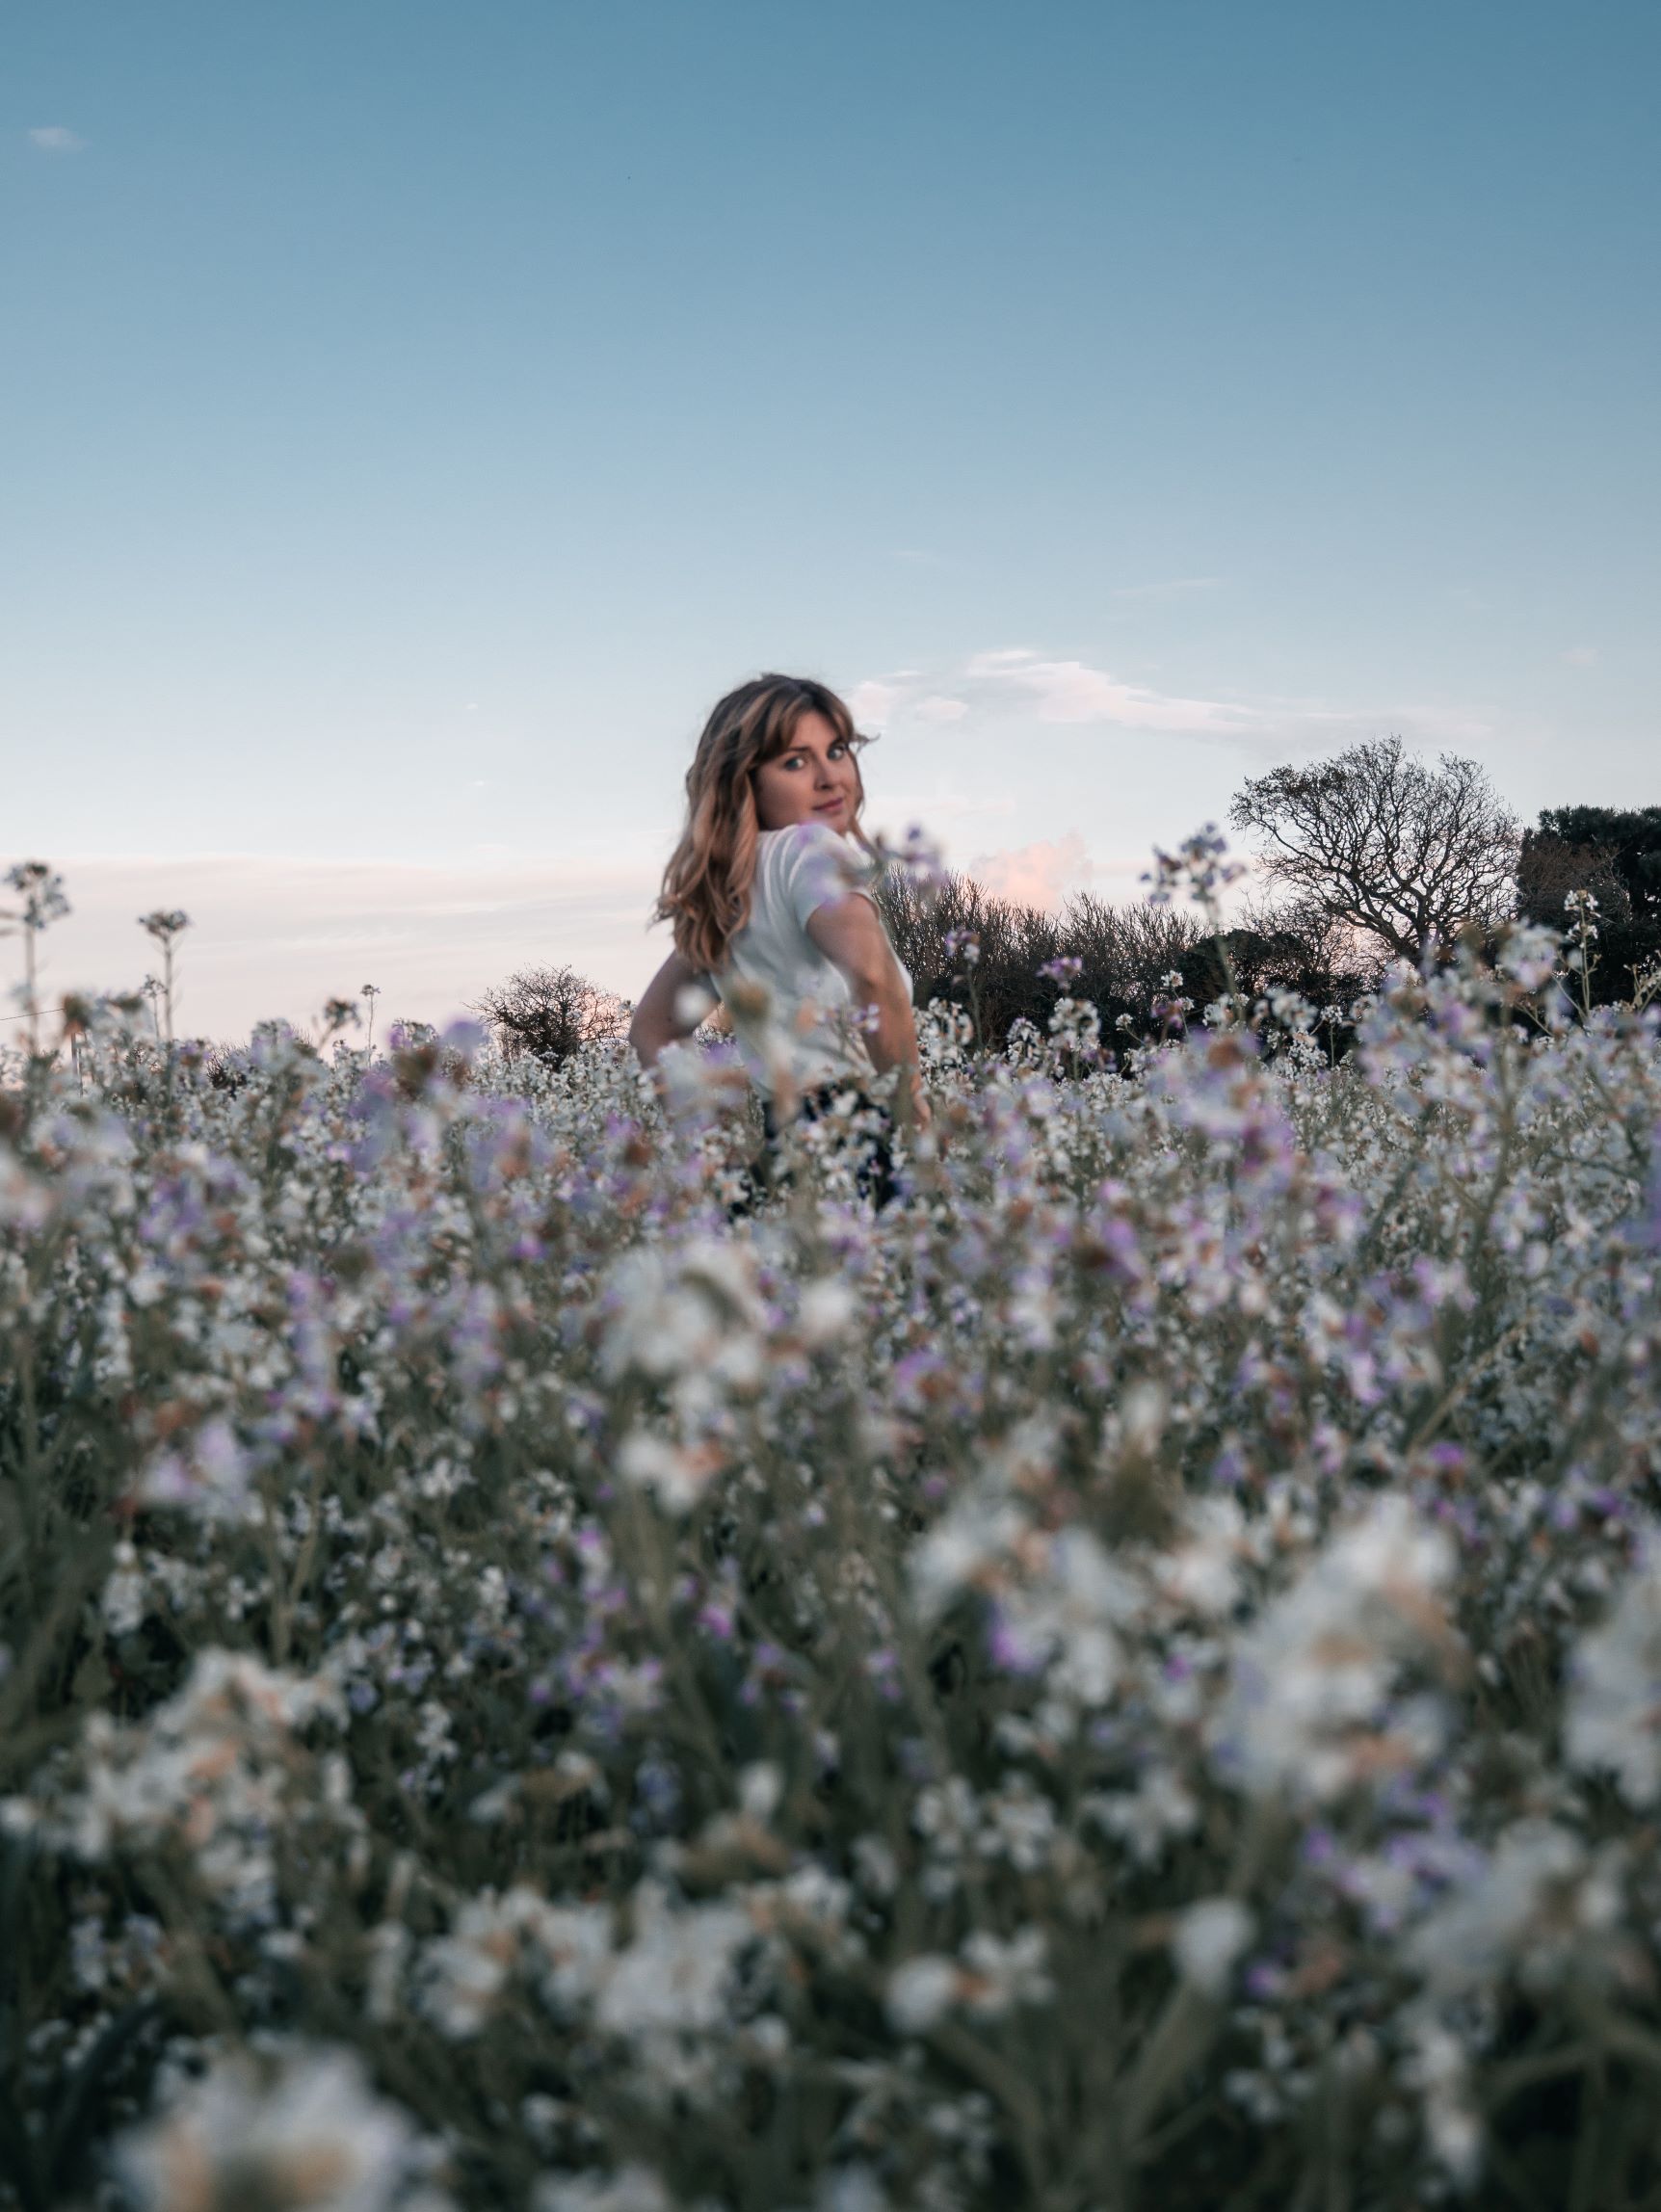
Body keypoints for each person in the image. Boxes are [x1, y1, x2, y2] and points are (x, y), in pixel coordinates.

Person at [629, 673, 928, 1202]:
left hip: (787, 1149)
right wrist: (913, 1112)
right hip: (867, 1138)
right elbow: (872, 975)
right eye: (795, 762)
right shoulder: (812, 852)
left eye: (836, 751)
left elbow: (652, 1032)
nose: (829, 778)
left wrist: (717, 1149)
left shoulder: (727, 897)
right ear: (744, 781)